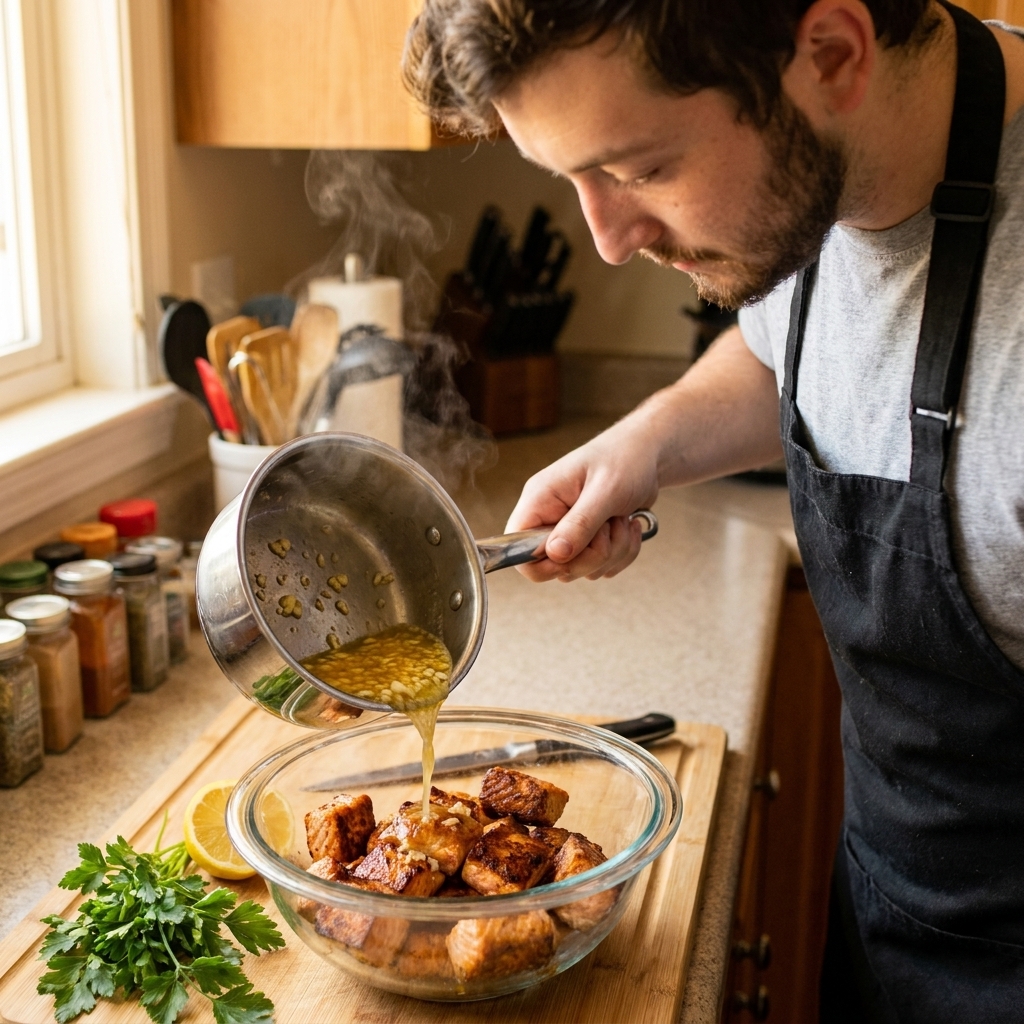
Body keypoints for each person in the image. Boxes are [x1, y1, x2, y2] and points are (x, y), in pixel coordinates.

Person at [403, 2, 1024, 1021]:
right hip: (890, 922)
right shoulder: (823, 181)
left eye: (640, 170)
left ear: (830, 55)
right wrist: (644, 444)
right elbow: (790, 344)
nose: (606, 239)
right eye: (574, 178)